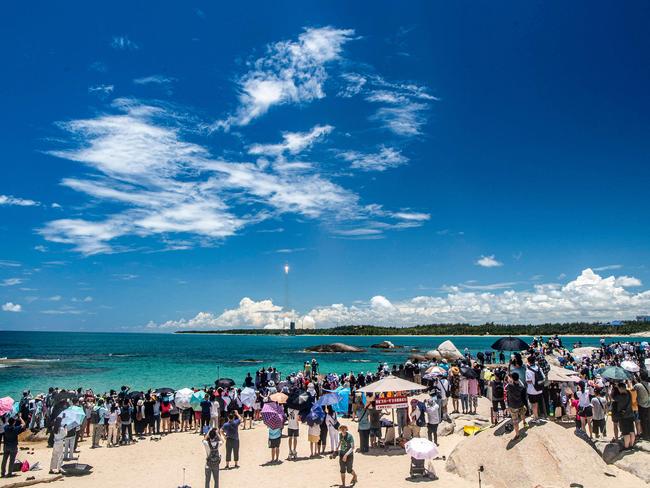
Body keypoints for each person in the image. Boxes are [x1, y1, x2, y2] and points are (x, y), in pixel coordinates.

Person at [613, 382, 636, 449]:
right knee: (632, 431)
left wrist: (615, 388)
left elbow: (613, 397)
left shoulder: (620, 397)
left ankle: (626, 447)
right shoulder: (629, 393)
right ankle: (631, 445)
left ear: (620, 388)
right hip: (631, 414)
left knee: (626, 433)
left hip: (623, 416)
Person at [506, 372, 527, 439]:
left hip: (513, 406)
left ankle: (517, 435)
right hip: (520, 404)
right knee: (522, 413)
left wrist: (510, 379)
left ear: (512, 378)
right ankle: (524, 422)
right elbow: (522, 386)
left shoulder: (510, 386)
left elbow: (506, 385)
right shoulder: (522, 387)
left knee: (515, 421)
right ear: (518, 378)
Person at [525, 356, 544, 423]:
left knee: (533, 404)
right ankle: (536, 416)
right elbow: (543, 377)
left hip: (532, 390)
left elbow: (528, 381)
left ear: (529, 362)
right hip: (539, 389)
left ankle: (536, 418)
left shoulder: (528, 370)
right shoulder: (539, 368)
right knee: (536, 403)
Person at [634, 371, 650, 440]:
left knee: (642, 421)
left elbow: (632, 392)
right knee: (648, 420)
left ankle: (645, 435)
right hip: (649, 405)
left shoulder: (637, 385)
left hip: (641, 406)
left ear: (640, 377)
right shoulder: (649, 384)